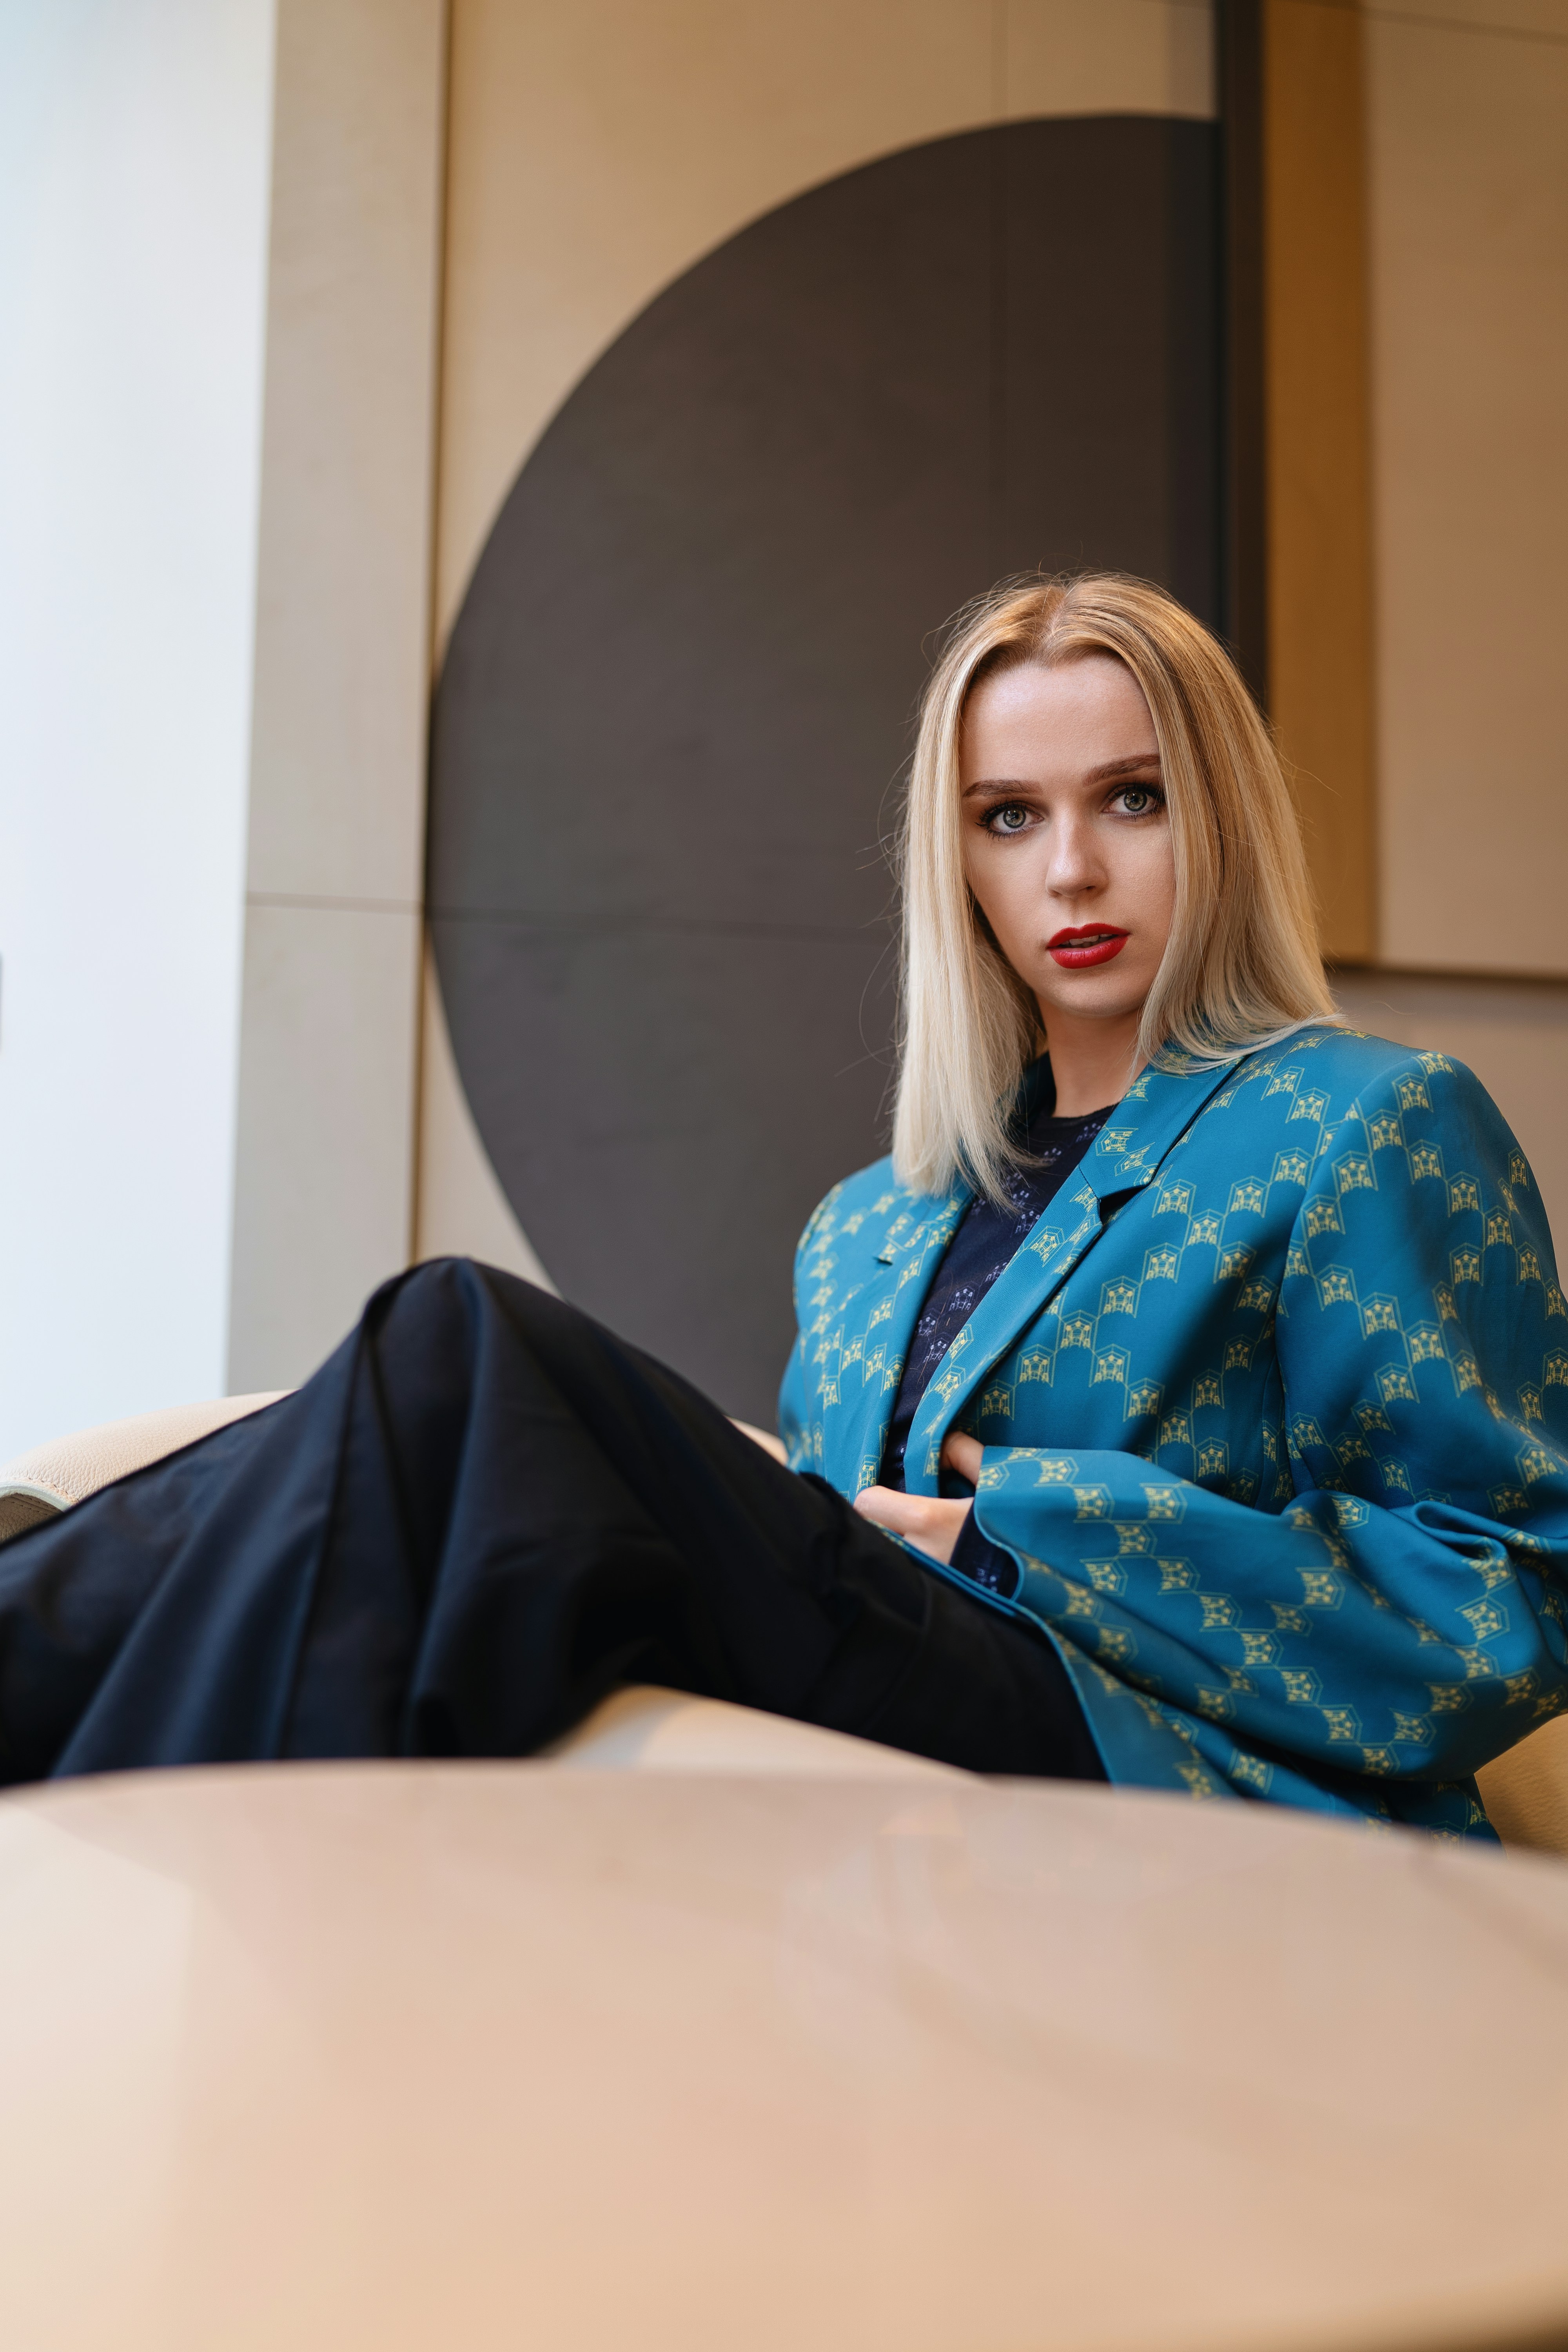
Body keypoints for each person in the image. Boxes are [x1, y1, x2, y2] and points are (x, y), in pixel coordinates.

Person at [4, 575, 1564, 1836]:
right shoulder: (870, 1223)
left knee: (461, 1340)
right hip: (868, 1710)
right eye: (1007, 816)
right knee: (442, 1421)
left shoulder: (1365, 1124)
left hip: (1148, 1760)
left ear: (1216, 816)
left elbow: (1503, 1603)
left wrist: (1021, 1528)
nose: (1070, 870)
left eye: (1132, 800)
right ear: (954, 859)